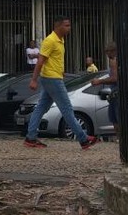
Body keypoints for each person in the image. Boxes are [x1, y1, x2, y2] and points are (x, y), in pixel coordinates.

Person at [23, 16, 99, 150]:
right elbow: (40, 61)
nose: (69, 28)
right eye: (67, 25)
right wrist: (34, 80)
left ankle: (31, 137)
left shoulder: (60, 40)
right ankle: (83, 139)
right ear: (58, 26)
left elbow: (53, 60)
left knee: (41, 107)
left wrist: (60, 71)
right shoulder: (50, 40)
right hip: (52, 79)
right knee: (67, 109)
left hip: (53, 77)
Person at [91, 42, 118, 136]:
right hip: (116, 93)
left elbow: (114, 78)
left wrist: (99, 81)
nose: (107, 54)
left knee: (116, 119)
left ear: (113, 51)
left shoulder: (113, 61)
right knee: (114, 118)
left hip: (116, 93)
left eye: (107, 52)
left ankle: (120, 139)